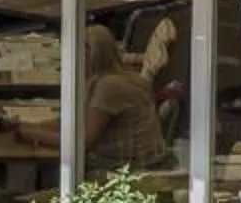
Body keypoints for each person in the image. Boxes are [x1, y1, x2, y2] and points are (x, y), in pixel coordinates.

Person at [20, 25, 171, 170]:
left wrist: (35, 134)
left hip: (134, 169)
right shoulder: (122, 76)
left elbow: (83, 143)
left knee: (54, 167)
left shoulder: (108, 86)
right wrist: (31, 126)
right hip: (143, 161)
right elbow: (75, 121)